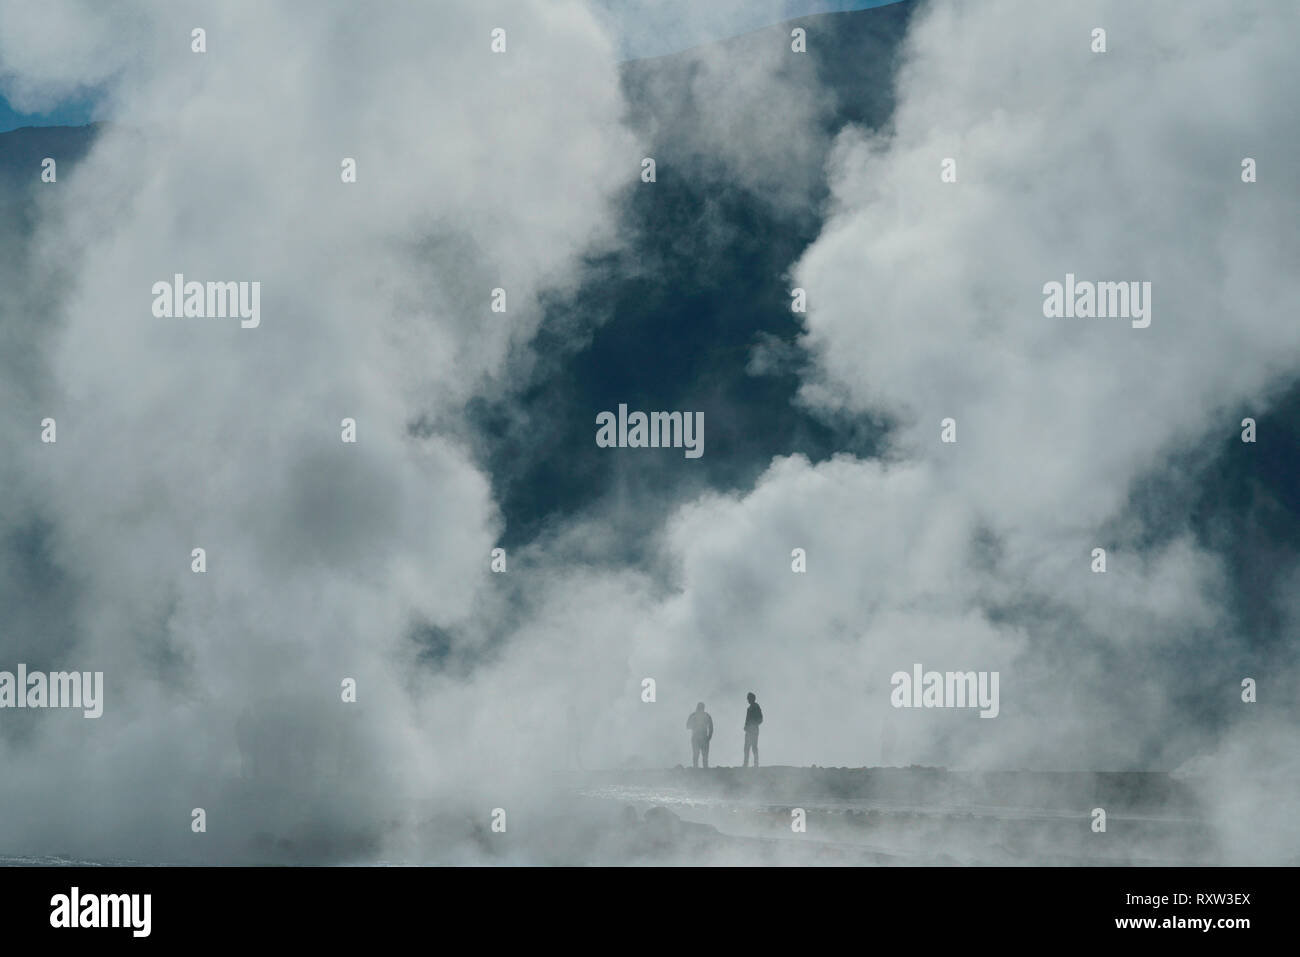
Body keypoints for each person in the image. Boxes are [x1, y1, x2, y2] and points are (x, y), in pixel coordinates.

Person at [686, 702, 713, 768]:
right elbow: (687, 726)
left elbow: (687, 726)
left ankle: (699, 771)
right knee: (699, 756)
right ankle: (701, 771)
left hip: (699, 738)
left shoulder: (694, 715)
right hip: (700, 738)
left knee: (700, 756)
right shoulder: (706, 715)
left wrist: (709, 737)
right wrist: (709, 737)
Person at [743, 692, 762, 767]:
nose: (747, 699)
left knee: (753, 747)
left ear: (752, 698)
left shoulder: (756, 707)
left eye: (748, 698)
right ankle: (746, 763)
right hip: (749, 730)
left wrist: (754, 725)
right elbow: (747, 719)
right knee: (746, 747)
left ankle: (755, 763)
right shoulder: (750, 708)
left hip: (753, 730)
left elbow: (760, 719)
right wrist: (746, 726)